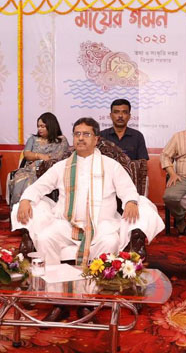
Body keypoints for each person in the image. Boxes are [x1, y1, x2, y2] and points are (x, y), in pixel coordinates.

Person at [14, 117, 163, 321]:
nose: (81, 138)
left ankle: (90, 301)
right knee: (47, 237)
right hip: (66, 224)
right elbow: (40, 186)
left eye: (86, 134)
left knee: (110, 241)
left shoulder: (111, 165)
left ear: (96, 139)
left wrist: (130, 201)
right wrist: (26, 199)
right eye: (77, 134)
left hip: (101, 225)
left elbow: (128, 189)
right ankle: (60, 300)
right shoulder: (62, 166)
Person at [8, 112, 69, 206]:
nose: (39, 129)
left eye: (43, 126)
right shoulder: (33, 139)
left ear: (51, 126)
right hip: (30, 170)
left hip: (52, 172)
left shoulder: (61, 140)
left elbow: (60, 158)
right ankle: (19, 212)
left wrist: (44, 163)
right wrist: (40, 156)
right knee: (21, 181)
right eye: (38, 126)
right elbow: (27, 154)